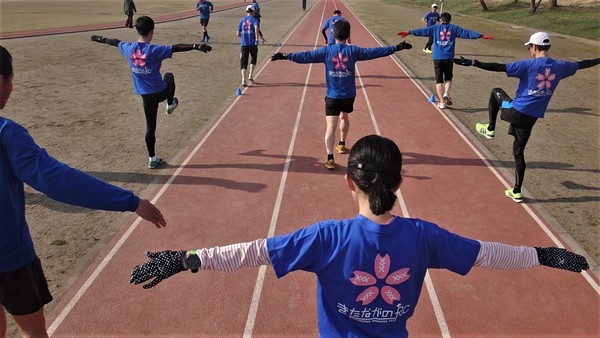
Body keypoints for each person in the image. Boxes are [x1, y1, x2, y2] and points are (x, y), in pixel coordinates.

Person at [130, 134, 589, 337]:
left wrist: (184, 259)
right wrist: (545, 255)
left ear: (348, 182)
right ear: (399, 184)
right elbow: (489, 254)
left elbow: (253, 252)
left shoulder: (326, 238)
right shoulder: (424, 236)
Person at [0, 45, 167, 338]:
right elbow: (59, 181)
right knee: (34, 333)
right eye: (11, 80)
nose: (12, 88)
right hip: (10, 260)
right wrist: (130, 201)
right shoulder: (7, 134)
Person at [453, 32, 600, 203]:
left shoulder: (527, 65)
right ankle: (517, 191)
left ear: (535, 47)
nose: (530, 50)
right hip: (531, 117)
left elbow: (499, 67)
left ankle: (490, 128)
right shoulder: (560, 66)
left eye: (530, 47)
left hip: (516, 111)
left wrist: (473, 62)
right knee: (518, 152)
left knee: (496, 92)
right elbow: (582, 64)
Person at [270, 20, 412, 170]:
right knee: (345, 117)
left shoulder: (326, 51)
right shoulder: (353, 51)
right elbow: (374, 52)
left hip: (332, 96)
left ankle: (330, 158)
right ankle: (342, 144)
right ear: (349, 35)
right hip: (348, 96)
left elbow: (306, 56)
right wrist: (397, 47)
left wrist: (285, 55)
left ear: (333, 34)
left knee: (330, 127)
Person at [90, 16, 212, 169]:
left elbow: (115, 42)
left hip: (146, 96)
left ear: (137, 30)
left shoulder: (129, 48)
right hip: (160, 92)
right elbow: (176, 47)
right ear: (152, 32)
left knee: (150, 127)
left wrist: (101, 39)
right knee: (169, 76)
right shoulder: (154, 50)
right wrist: (195, 46)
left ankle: (152, 158)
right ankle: (170, 103)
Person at [398, 12, 493, 108]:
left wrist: (410, 32)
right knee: (448, 77)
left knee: (439, 81)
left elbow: (423, 31)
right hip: (448, 58)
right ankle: (446, 93)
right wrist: (481, 35)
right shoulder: (455, 28)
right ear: (450, 20)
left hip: (437, 57)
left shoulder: (435, 28)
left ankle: (442, 102)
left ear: (440, 20)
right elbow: (467, 33)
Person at [238, 5, 260, 87]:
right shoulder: (255, 20)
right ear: (253, 12)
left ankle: (243, 79)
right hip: (253, 44)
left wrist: (244, 35)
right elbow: (256, 28)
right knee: (253, 59)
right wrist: (257, 39)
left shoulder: (241, 20)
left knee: (243, 62)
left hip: (244, 44)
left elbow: (238, 33)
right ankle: (250, 74)